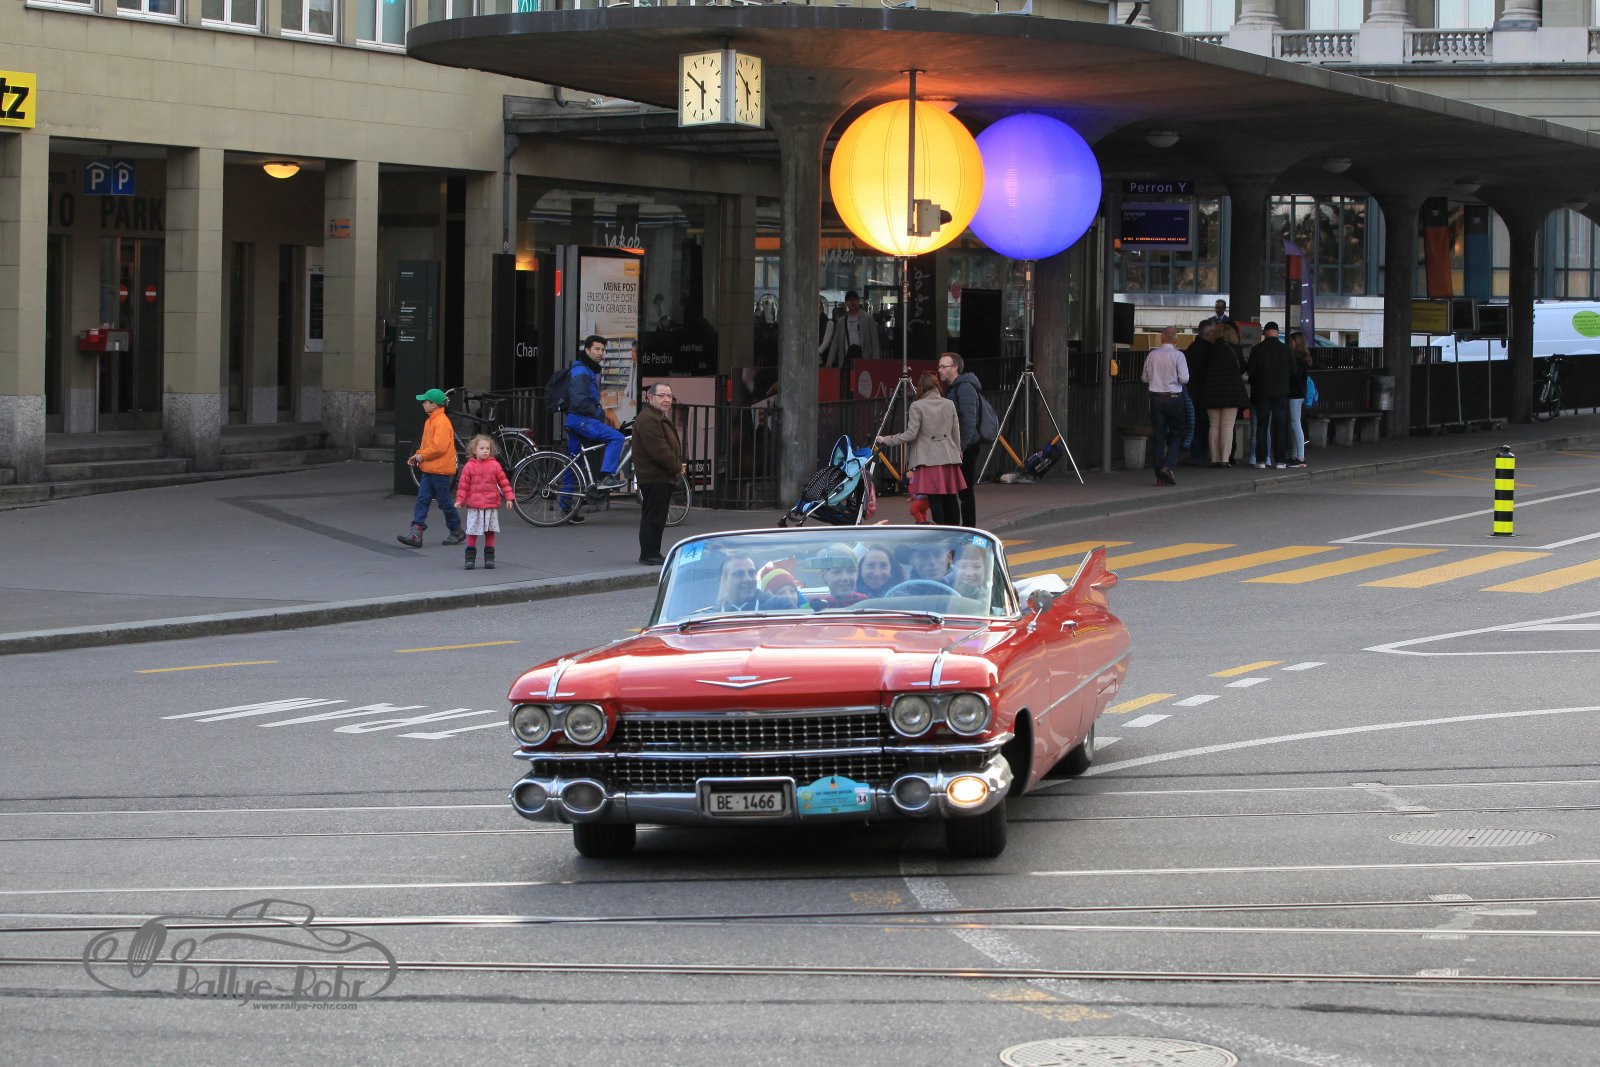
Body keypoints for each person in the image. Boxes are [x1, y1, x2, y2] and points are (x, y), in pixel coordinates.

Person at [874, 372, 967, 526]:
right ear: (936, 386)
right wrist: (958, 451)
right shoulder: (949, 404)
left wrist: (887, 439)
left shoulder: (917, 406)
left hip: (928, 459)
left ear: (921, 388)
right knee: (951, 497)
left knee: (935, 498)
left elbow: (911, 434)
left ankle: (940, 531)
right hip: (949, 456)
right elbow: (955, 431)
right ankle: (956, 530)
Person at [397, 388, 467, 549]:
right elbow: (430, 446)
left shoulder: (440, 422)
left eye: (425, 402)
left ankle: (456, 530)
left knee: (443, 502)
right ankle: (416, 532)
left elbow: (439, 448)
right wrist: (419, 455)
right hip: (431, 468)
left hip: (440, 470)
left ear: (434, 405)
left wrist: (421, 456)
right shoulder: (432, 420)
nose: (423, 404)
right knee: (424, 499)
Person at [565, 335, 627, 494]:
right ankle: (606, 477)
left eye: (603, 349)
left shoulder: (586, 370)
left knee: (574, 463)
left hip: (576, 420)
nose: (601, 353)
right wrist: (598, 412)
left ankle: (566, 504)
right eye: (597, 349)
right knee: (617, 437)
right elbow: (579, 400)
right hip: (582, 420)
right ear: (587, 350)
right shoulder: (581, 371)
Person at [632, 381, 684, 566]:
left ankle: (652, 552)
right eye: (661, 395)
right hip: (654, 475)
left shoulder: (655, 416)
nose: (666, 399)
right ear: (650, 397)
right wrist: (676, 466)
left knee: (656, 515)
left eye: (669, 396)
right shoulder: (648, 419)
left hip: (659, 475)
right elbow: (658, 449)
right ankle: (649, 554)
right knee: (654, 515)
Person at [453, 434, 515, 570]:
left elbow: (504, 482)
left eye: (487, 448)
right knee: (472, 533)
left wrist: (509, 497)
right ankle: (470, 559)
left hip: (490, 505)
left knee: (490, 532)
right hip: (474, 507)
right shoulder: (469, 467)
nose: (485, 451)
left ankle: (489, 559)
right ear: (474, 450)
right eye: (482, 448)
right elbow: (463, 486)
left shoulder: (495, 465)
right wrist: (460, 500)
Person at [937, 351, 984, 527]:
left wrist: (960, 448)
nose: (939, 370)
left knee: (965, 491)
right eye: (939, 366)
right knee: (954, 490)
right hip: (956, 446)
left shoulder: (964, 388)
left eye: (943, 366)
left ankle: (969, 529)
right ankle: (958, 528)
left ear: (955, 368)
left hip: (965, 447)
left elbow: (969, 421)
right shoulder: (952, 388)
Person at [1140, 326, 1190, 487]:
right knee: (1178, 433)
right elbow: (1184, 379)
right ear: (1176, 339)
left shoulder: (1152, 355)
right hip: (1174, 398)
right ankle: (1167, 467)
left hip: (1156, 398)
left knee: (1159, 436)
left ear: (1162, 338)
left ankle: (1159, 476)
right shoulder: (1179, 356)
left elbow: (1144, 378)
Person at [1200, 324, 1250, 468]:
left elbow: (1204, 369)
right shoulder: (1236, 349)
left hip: (1212, 391)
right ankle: (1225, 459)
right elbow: (1242, 368)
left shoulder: (1210, 350)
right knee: (1227, 426)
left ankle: (1214, 459)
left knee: (1214, 426)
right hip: (1231, 392)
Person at [1247, 321, 1295, 469]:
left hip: (1262, 392)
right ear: (1277, 332)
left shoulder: (1257, 349)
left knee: (1262, 425)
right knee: (1280, 426)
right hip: (1281, 392)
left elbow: (1251, 371)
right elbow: (1293, 371)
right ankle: (1280, 461)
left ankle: (1261, 460)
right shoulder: (1286, 350)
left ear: (1265, 332)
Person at [821, 290, 882, 370]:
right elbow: (835, 342)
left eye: (854, 299)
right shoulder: (841, 321)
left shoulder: (868, 319)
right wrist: (829, 361)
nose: (852, 302)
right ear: (846, 303)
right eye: (849, 300)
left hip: (865, 360)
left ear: (858, 301)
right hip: (846, 360)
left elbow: (875, 342)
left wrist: (876, 363)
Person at [1184, 323, 1215, 466]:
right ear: (1208, 334)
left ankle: (1196, 454)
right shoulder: (1206, 350)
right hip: (1202, 392)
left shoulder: (1193, 347)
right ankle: (1198, 454)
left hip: (1193, 390)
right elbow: (1205, 372)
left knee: (1196, 424)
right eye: (1214, 332)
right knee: (1202, 424)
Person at [809, 543, 867, 610]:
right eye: (837, 572)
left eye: (851, 571)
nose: (845, 578)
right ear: (823, 575)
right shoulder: (812, 609)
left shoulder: (867, 604)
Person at [1286, 331, 1312, 468]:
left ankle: (1300, 457)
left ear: (1296, 343)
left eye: (1291, 342)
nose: (1289, 344)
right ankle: (1295, 455)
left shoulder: (1296, 360)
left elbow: (1292, 376)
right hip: (1299, 394)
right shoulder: (1303, 358)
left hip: (1294, 394)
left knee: (1295, 424)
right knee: (1295, 424)